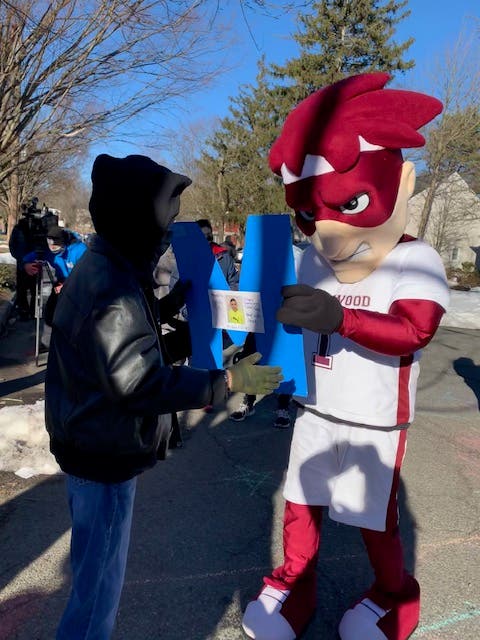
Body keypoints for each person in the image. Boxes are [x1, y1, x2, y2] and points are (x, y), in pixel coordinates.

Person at [241, 73, 449, 640]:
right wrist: (249, 347)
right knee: (300, 504)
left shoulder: (414, 258)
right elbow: (289, 331)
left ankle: (394, 594)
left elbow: (416, 329)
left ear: (402, 183)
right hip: (316, 406)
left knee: (372, 519)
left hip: (373, 417)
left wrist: (341, 319)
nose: (328, 234)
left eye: (349, 204)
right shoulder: (311, 260)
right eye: (311, 215)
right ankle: (294, 581)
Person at [45, 153, 283, 640]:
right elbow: (137, 383)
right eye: (163, 226)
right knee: (97, 593)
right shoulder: (113, 289)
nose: (167, 237)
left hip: (91, 444)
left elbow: (119, 357)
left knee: (94, 581)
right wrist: (227, 382)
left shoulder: (107, 269)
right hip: (103, 456)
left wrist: (175, 314)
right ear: (136, 222)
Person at [229, 241, 304, 429]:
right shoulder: (257, 252)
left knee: (284, 361)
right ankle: (248, 401)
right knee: (252, 357)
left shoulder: (296, 255)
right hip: (259, 318)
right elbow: (247, 281)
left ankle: (283, 407)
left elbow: (302, 284)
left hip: (284, 318)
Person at [23, 225, 87, 349]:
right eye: (50, 246)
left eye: (56, 247)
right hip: (61, 281)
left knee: (75, 315)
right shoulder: (47, 250)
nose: (53, 249)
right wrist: (27, 265)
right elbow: (29, 257)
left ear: (63, 243)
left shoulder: (79, 250)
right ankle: (46, 342)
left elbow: (87, 274)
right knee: (51, 310)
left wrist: (68, 285)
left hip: (79, 284)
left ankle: (76, 344)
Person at [8, 199, 58, 320]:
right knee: (22, 289)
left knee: (35, 289)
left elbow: (46, 244)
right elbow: (12, 246)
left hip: (36, 263)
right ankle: (24, 311)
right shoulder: (19, 228)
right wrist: (21, 260)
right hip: (22, 264)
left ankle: (34, 310)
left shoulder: (39, 228)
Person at [196, 218, 239, 290]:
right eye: (203, 235)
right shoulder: (189, 257)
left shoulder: (224, 256)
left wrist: (227, 294)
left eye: (209, 234)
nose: (207, 238)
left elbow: (234, 282)